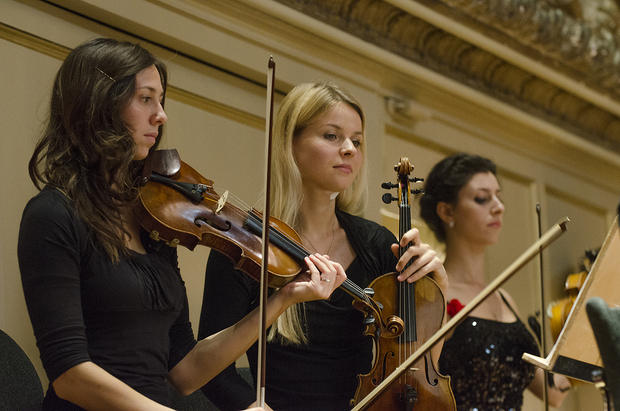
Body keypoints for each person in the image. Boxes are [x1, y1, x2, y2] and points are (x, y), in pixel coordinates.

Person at [17, 38, 346, 411]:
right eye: (145, 99)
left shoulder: (155, 221)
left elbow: (185, 372)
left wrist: (282, 298)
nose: (161, 115)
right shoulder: (52, 215)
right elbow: (70, 375)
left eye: (161, 100)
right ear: (99, 104)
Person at [197, 82, 449, 411]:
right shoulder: (246, 245)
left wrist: (438, 285)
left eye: (356, 141)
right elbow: (213, 374)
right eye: (332, 136)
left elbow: (414, 373)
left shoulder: (376, 245)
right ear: (291, 143)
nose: (349, 150)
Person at [419, 152, 571, 411]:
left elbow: (554, 393)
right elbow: (418, 384)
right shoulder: (433, 292)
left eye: (499, 196)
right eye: (482, 198)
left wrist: (578, 322)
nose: (499, 206)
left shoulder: (504, 299)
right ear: (446, 211)